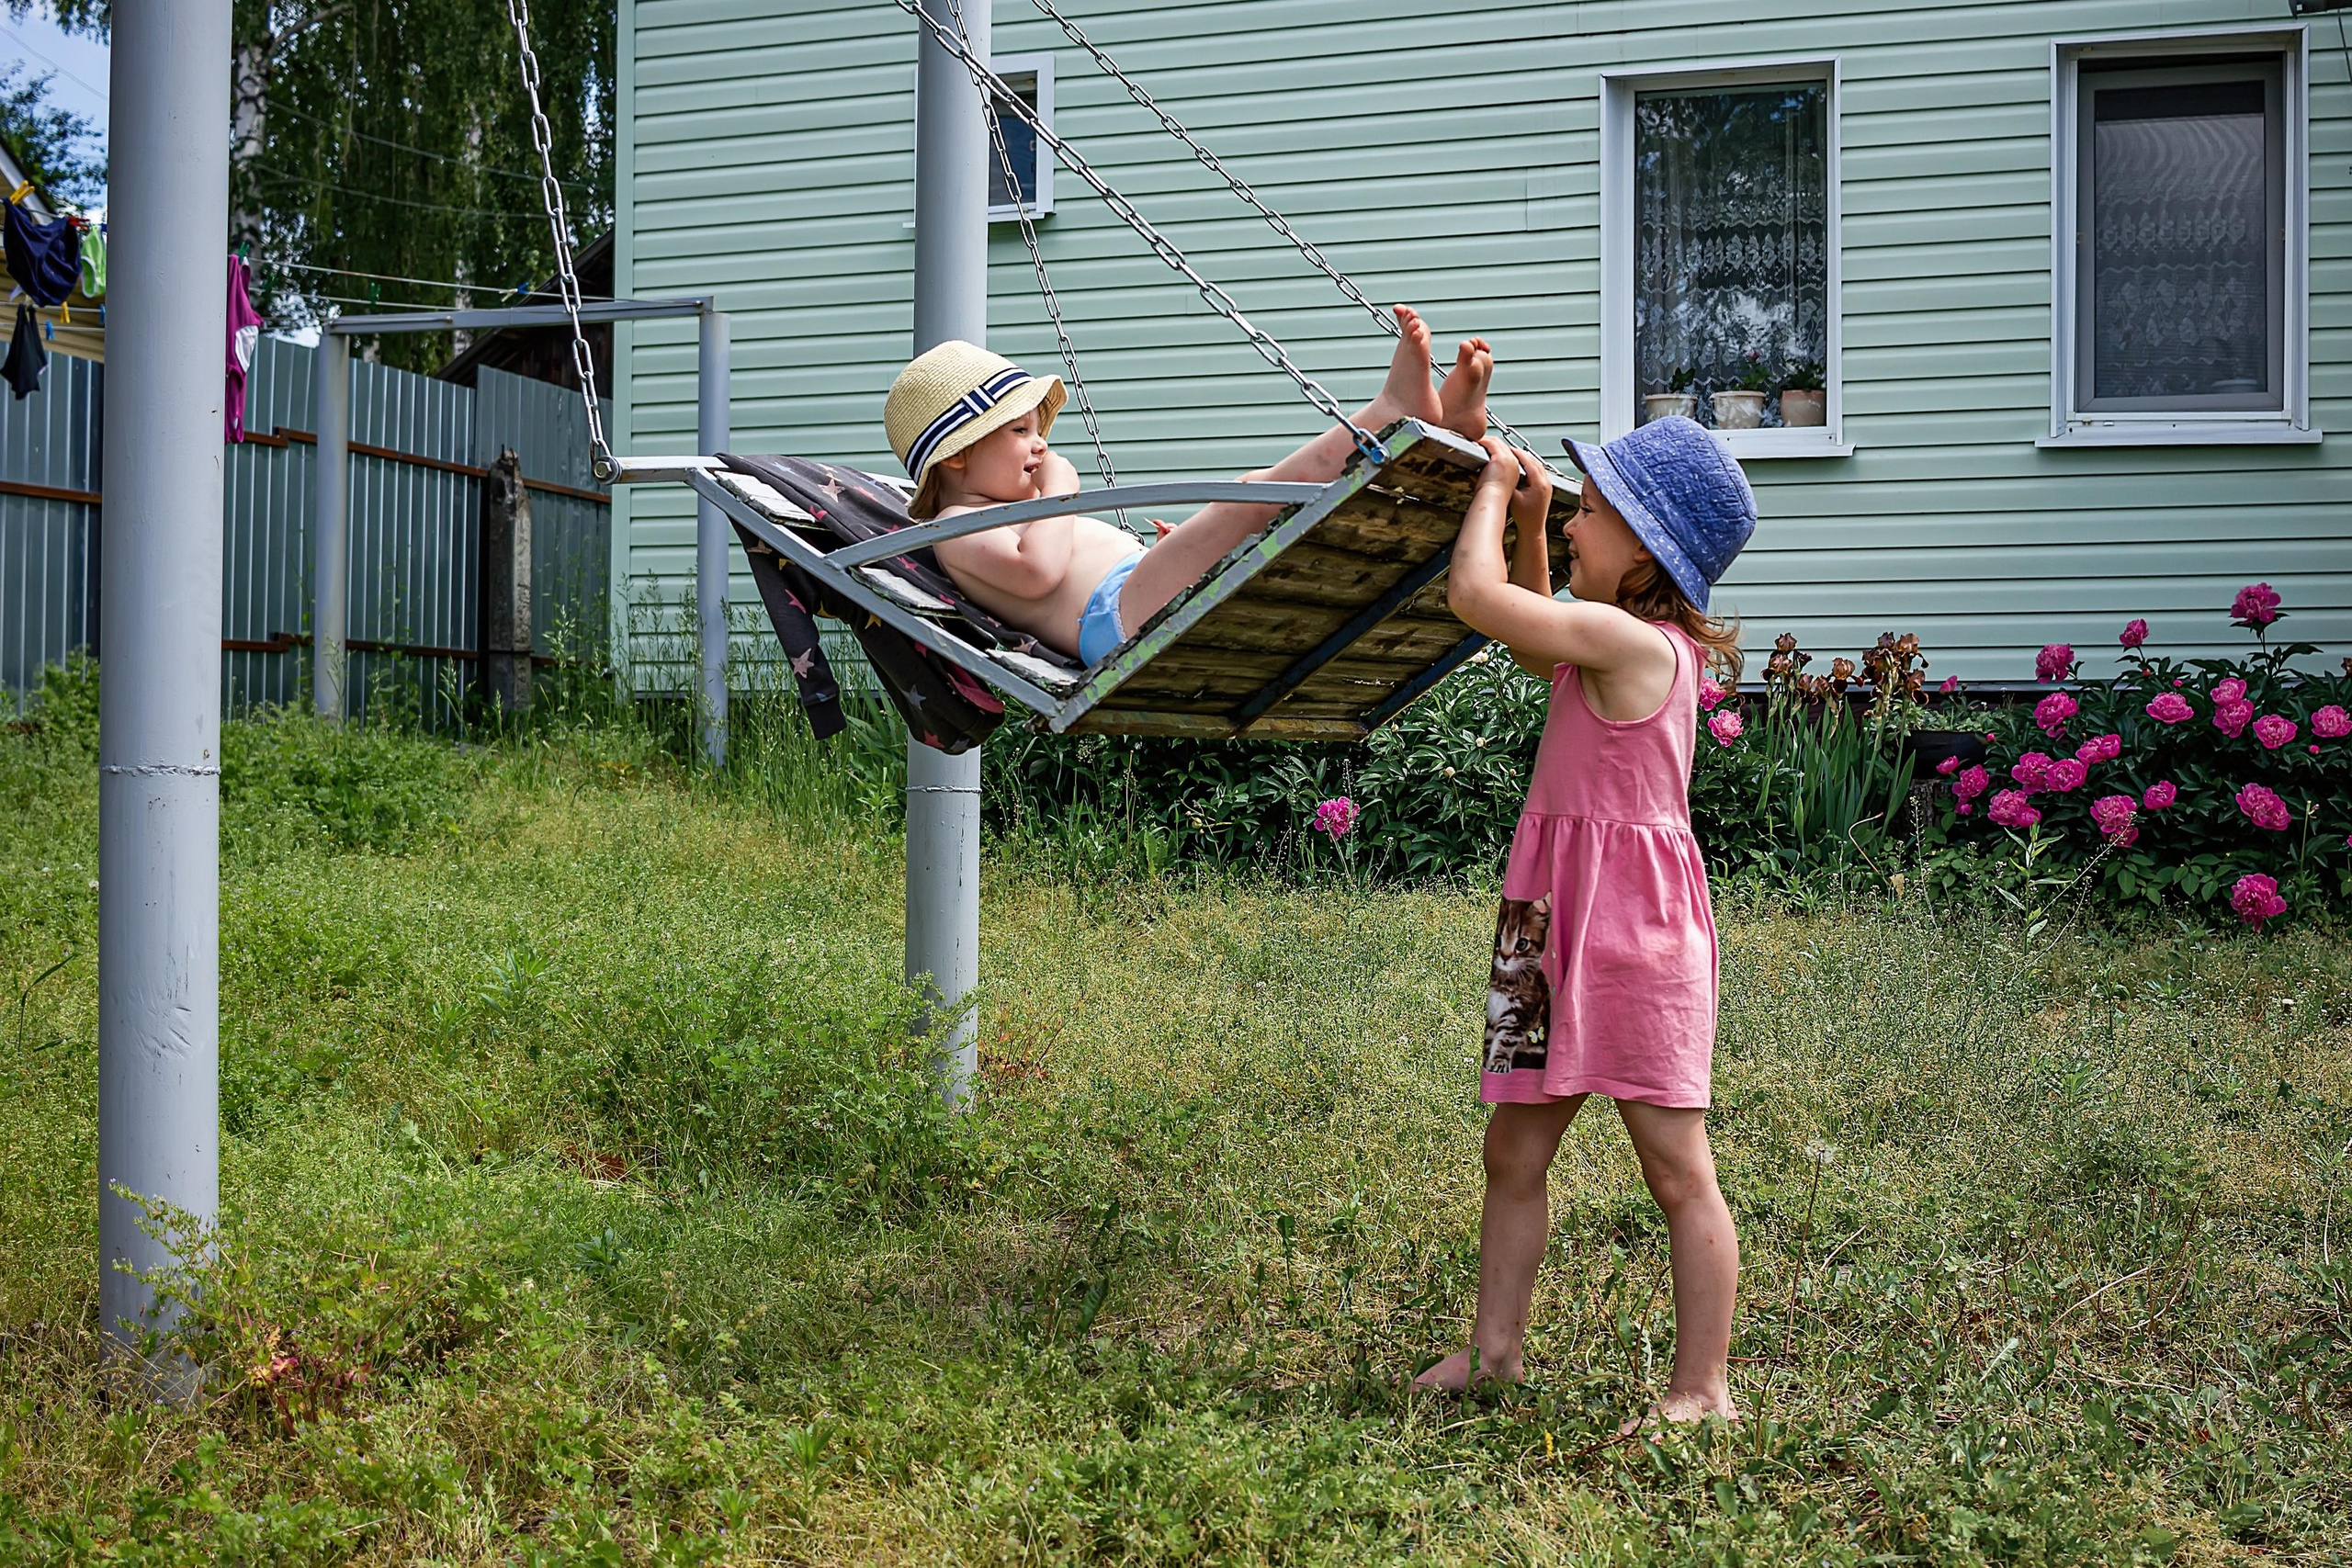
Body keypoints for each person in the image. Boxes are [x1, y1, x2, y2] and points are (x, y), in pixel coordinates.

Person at [1414, 415, 1758, 1431]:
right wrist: (1530, 522)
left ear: (1647, 549)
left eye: (1591, 513)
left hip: (1630, 944)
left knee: (1676, 1170)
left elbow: (1482, 605)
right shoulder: (1602, 637)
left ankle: (1702, 1391)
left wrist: (1487, 491)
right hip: (1541, 927)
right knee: (1510, 1155)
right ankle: (1495, 1352)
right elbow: (1532, 633)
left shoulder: (1630, 642)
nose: (1573, 525)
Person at [881, 307, 1491, 665]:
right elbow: (1039, 570)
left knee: (1256, 505)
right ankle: (1391, 414)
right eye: (1019, 430)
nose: (1041, 446)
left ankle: (1438, 431)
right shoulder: (951, 529)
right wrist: (1061, 486)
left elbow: (1058, 559)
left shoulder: (1011, 506)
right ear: (957, 457)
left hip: (1132, 591)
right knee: (1253, 495)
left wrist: (1166, 551)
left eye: (1037, 431)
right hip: (1115, 618)